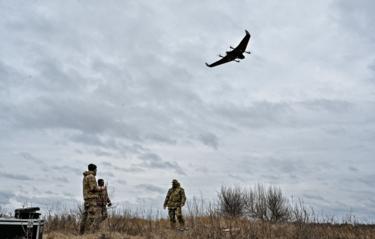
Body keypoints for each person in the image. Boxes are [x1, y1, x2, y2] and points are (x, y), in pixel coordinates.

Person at [79, 163, 103, 235]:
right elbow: (93, 188)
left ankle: (81, 234)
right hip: (91, 199)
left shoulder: (85, 176)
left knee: (84, 217)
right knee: (91, 217)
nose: (96, 171)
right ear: (94, 169)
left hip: (87, 199)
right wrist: (101, 188)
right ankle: (87, 235)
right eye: (96, 169)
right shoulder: (91, 176)